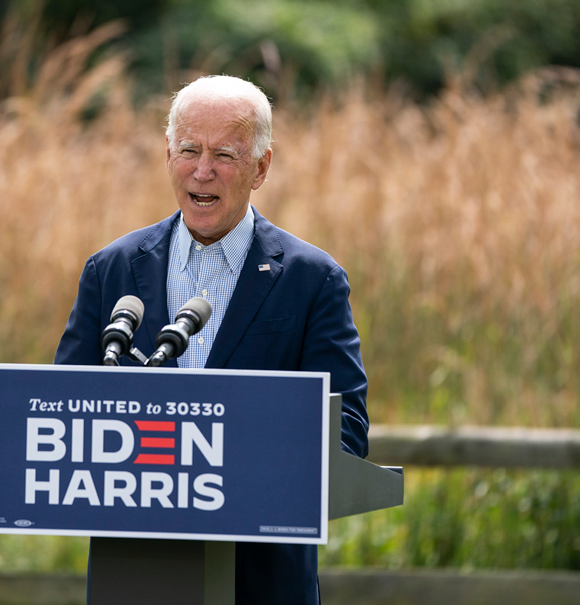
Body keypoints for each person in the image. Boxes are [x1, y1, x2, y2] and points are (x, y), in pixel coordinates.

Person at [54, 75, 369, 605]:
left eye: (225, 154)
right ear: (167, 155)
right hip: (135, 578)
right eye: (188, 151)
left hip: (263, 582)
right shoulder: (110, 270)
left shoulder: (311, 280)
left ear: (261, 167)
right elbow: (65, 420)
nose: (202, 171)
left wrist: (227, 462)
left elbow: (347, 435)